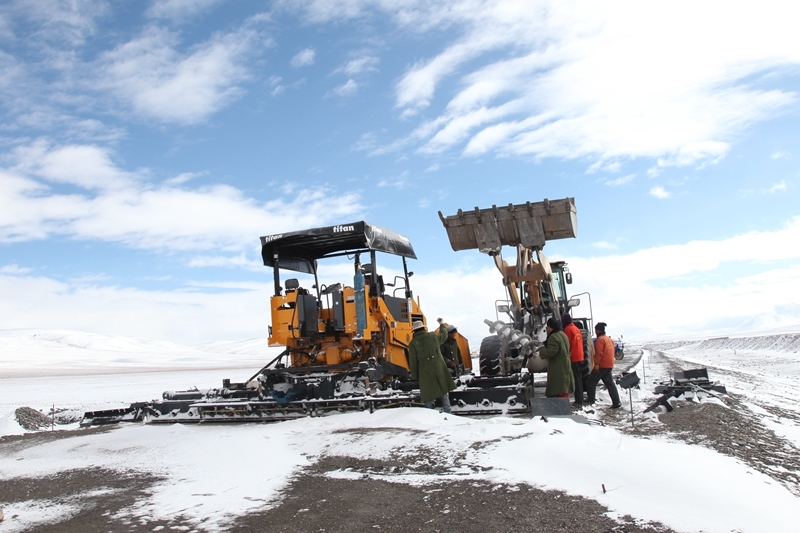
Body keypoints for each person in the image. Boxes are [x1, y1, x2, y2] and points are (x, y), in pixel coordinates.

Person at [408, 318, 457, 413]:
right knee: (443, 389)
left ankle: (429, 414)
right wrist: (442, 324)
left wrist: (415, 376)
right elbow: (444, 335)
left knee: (427, 394)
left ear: (414, 331)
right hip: (438, 367)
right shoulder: (433, 336)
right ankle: (448, 412)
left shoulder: (413, 344)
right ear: (424, 328)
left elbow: (413, 362)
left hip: (424, 371)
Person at [536, 317, 575, 398]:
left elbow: (552, 351)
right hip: (565, 363)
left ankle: (560, 404)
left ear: (550, 327)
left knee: (558, 387)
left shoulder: (553, 337)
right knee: (564, 386)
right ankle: (564, 403)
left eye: (547, 327)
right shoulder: (563, 334)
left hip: (558, 365)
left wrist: (540, 353)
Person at [586, 322, 622, 408]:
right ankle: (616, 402)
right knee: (610, 384)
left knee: (591, 382)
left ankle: (591, 400)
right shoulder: (609, 339)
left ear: (598, 330)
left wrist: (597, 364)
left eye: (595, 330)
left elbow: (599, 353)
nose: (595, 331)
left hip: (601, 365)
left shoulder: (600, 340)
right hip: (609, 365)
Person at [561, 313, 585, 408]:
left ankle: (579, 401)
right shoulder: (576, 329)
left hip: (573, 358)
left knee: (575, 380)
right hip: (580, 356)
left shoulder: (567, 330)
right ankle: (580, 399)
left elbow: (566, 345)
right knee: (579, 379)